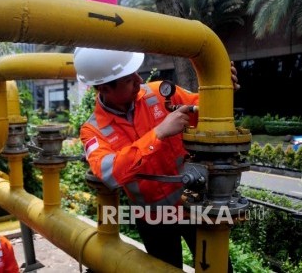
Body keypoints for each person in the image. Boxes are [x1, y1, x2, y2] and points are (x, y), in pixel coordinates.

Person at [74, 47, 239, 271]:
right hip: (153, 219)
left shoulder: (160, 94)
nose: (138, 79)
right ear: (104, 88)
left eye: (136, 73)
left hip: (194, 205)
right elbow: (110, 173)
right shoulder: (93, 131)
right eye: (128, 78)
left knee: (219, 269)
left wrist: (221, 91)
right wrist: (159, 133)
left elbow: (203, 108)